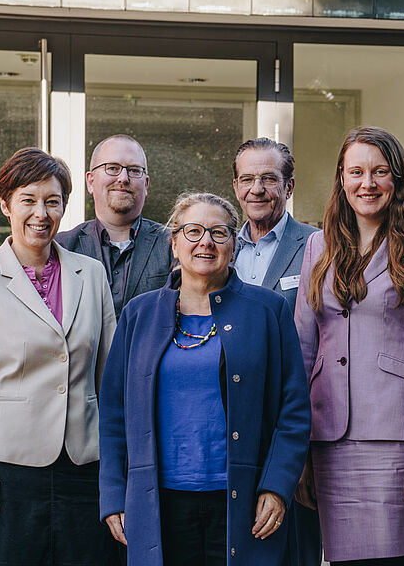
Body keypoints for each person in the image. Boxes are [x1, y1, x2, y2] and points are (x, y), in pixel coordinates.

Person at [99, 192, 311, 566]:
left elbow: (293, 410)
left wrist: (277, 487)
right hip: (159, 500)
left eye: (219, 232)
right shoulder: (139, 314)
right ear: (174, 243)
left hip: (242, 499)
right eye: (193, 231)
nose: (206, 242)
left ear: (233, 244)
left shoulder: (268, 311)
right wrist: (115, 495)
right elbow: (114, 413)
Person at [0, 147, 117, 565]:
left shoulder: (91, 274)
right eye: (29, 200)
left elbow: (111, 376)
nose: (41, 213)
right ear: (6, 204)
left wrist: (116, 466)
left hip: (84, 465)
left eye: (52, 202)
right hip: (8, 471)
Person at [294, 126, 404, 564]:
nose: (366, 183)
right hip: (328, 438)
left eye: (379, 171)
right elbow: (302, 348)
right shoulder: (318, 245)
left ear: (398, 179)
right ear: (341, 179)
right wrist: (297, 449)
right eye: (356, 172)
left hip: (398, 438)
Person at [232, 138, 321, 566]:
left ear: (288, 187)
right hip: (230, 424)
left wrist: (305, 451)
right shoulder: (216, 248)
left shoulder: (320, 247)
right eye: (248, 179)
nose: (258, 189)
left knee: (295, 551)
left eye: (269, 178)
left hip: (290, 423)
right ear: (235, 187)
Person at [56, 133, 172, 316]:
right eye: (112, 168)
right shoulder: (61, 248)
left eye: (134, 170)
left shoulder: (172, 245)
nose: (123, 178)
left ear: (146, 184)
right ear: (90, 181)